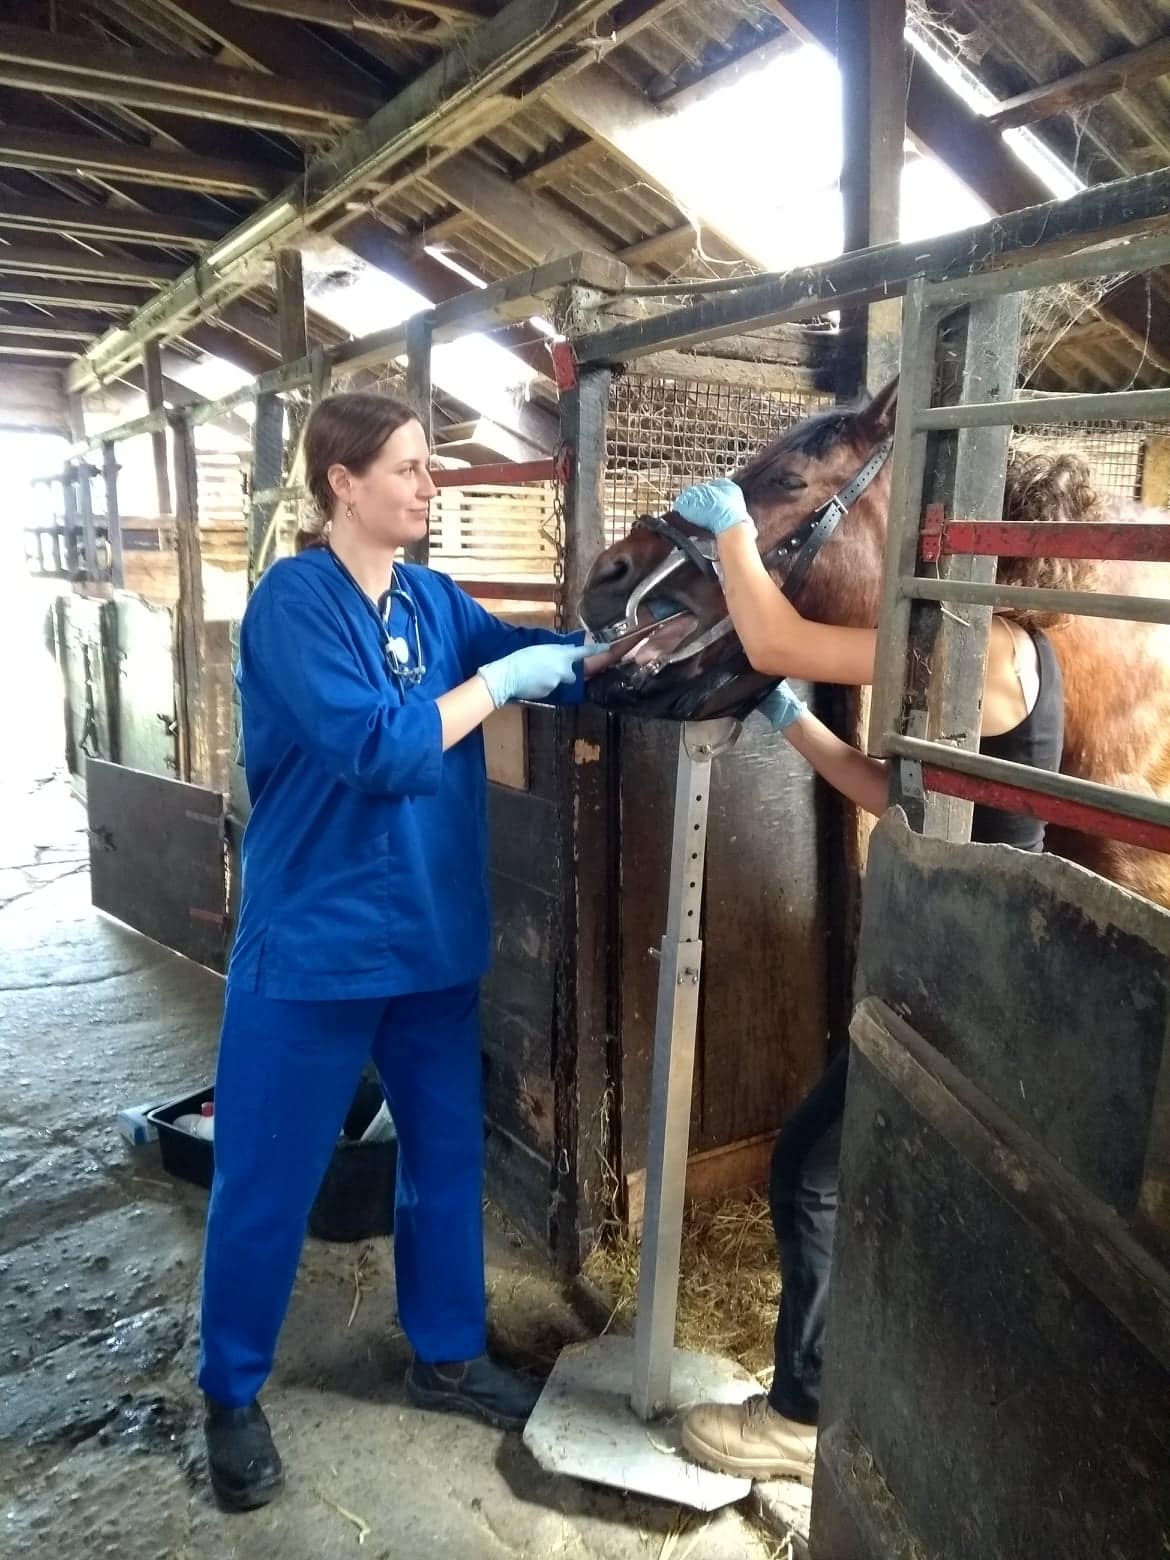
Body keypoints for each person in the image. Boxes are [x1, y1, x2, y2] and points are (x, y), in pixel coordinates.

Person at [199, 391, 610, 1512]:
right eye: (409, 468)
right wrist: (498, 686)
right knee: (267, 1177)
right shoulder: (292, 605)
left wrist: (633, 644)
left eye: (429, 467)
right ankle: (230, 1393)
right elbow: (379, 749)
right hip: (317, 946)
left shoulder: (431, 601)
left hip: (429, 938)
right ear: (343, 482)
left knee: (444, 1162)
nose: (431, 486)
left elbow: (532, 659)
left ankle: (448, 1357)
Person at [664, 466, 1072, 1484]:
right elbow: (896, 796)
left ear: (994, 547)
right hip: (957, 960)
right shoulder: (1017, 656)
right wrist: (792, 719)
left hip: (962, 974)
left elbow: (775, 639)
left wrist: (733, 534)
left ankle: (801, 1417)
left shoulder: (986, 655)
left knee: (806, 1170)